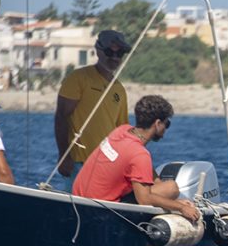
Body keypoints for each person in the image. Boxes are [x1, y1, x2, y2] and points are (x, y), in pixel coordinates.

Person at [73, 95, 200, 223]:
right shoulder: (140, 155)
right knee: (171, 188)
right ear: (157, 124)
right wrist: (181, 207)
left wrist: (164, 195)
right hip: (102, 207)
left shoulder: (121, 131)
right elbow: (144, 200)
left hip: (79, 198)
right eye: (167, 124)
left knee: (164, 188)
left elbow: (139, 164)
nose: (166, 128)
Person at [55, 29, 131, 190]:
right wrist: (63, 155)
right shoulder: (79, 78)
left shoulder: (119, 89)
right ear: (98, 50)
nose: (115, 58)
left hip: (107, 165)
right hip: (78, 162)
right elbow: (61, 116)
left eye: (120, 53)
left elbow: (121, 131)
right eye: (110, 52)